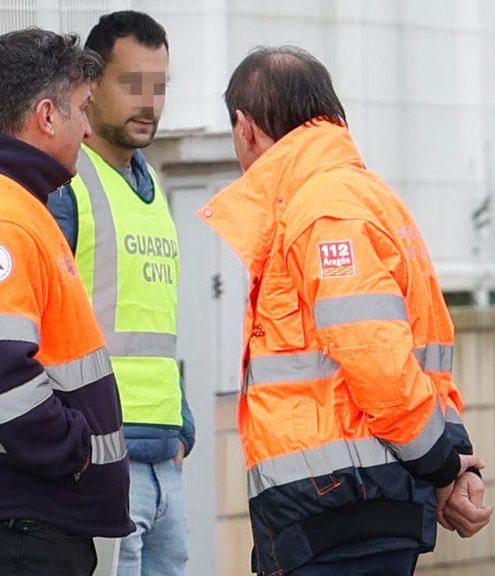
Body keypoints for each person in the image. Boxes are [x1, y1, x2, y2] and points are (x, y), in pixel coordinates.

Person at [199, 46, 492, 575]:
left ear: (245, 128)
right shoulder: (375, 199)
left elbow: (379, 363)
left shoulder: (321, 209)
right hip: (361, 504)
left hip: (334, 512)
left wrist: (443, 467)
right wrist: (448, 457)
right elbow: (428, 357)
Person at [0, 28, 133, 576]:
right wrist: (73, 452)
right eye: (82, 109)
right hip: (18, 522)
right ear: (46, 115)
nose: (87, 129)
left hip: (15, 519)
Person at [48, 12, 193, 575]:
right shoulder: (67, 186)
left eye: (159, 86)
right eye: (132, 83)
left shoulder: (152, 186)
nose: (149, 101)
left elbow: (154, 320)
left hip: (163, 458)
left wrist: (181, 424)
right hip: (102, 457)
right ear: (89, 84)